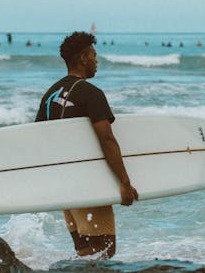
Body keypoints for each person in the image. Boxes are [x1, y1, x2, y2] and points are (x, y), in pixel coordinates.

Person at [35, 31, 138, 258]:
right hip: (87, 181)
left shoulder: (50, 94)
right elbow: (107, 139)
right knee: (104, 251)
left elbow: (40, 139)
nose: (96, 61)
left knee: (84, 250)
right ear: (83, 58)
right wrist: (125, 181)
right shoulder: (91, 94)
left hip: (64, 184)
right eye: (93, 55)